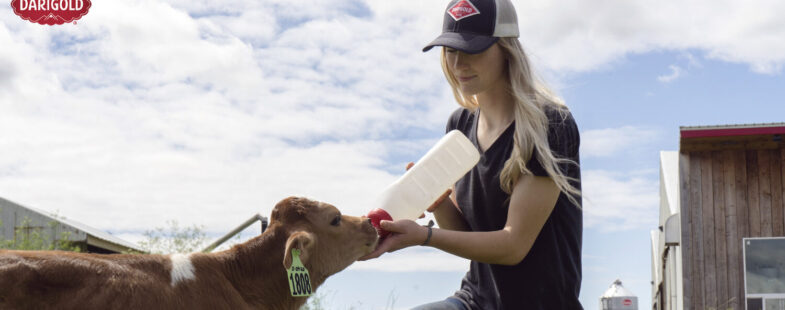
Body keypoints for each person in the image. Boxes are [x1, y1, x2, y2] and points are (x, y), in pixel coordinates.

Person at [359, 0, 583, 309]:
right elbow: (466, 237)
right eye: (451, 50)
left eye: (472, 49)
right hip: (475, 300)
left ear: (506, 48)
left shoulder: (549, 125)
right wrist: (438, 204)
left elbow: (513, 245)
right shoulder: (459, 125)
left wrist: (424, 236)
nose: (459, 63)